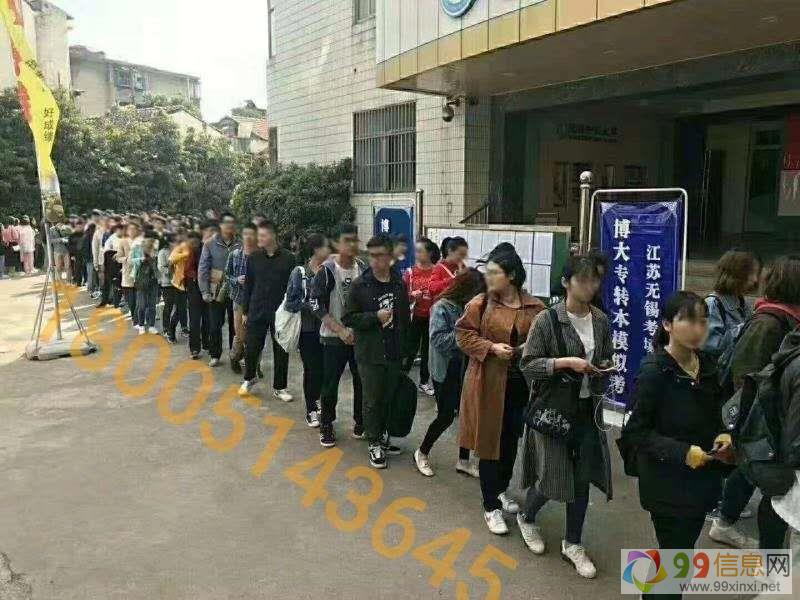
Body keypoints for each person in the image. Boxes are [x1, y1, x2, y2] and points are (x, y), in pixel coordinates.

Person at [620, 292, 734, 599]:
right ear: (667, 324)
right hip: (666, 484)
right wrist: (682, 452)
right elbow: (635, 432)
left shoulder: (708, 365)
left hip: (702, 480)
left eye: (703, 321)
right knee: (676, 558)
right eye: (688, 320)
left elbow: (720, 412)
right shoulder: (654, 372)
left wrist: (725, 435)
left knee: (679, 555)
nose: (698, 329)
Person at [518, 255, 613, 579]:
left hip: (587, 410)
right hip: (555, 410)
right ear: (565, 282)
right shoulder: (547, 320)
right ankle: (527, 516)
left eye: (595, 280)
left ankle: (573, 543)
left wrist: (604, 368)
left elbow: (605, 356)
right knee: (552, 476)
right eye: (583, 279)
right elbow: (528, 364)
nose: (590, 286)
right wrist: (564, 363)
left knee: (583, 476)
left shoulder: (601, 320)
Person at [711, 255, 800, 548]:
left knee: (751, 471)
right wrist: (746, 424)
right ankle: (768, 561)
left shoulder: (784, 318)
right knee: (776, 491)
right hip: (764, 417)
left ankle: (724, 522)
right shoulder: (769, 322)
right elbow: (745, 375)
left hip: (773, 416)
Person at [456, 248, 545, 536]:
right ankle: (490, 506)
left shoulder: (535, 308)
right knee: (488, 444)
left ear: (512, 276)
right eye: (488, 272)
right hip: (487, 383)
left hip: (520, 386)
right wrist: (491, 347)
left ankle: (501, 489)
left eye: (495, 272)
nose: (488, 277)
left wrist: (526, 350)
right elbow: (463, 335)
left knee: (509, 443)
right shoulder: (480, 303)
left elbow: (544, 341)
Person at [342, 234, 411, 469]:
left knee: (388, 397)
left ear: (390, 256)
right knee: (372, 399)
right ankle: (373, 442)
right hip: (370, 353)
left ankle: (381, 436)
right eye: (371, 255)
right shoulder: (360, 285)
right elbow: (348, 317)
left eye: (380, 255)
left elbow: (404, 318)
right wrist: (375, 317)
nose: (374, 260)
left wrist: (405, 350)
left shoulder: (398, 283)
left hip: (393, 351)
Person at [414, 268, 485, 478]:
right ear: (466, 289)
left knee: (466, 415)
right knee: (445, 416)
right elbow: (437, 340)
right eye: (476, 292)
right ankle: (422, 452)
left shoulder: (469, 306)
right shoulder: (441, 307)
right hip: (445, 369)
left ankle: (463, 460)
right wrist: (465, 336)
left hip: (465, 367)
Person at [310, 223, 365, 447]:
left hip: (359, 338)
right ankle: (326, 424)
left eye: (355, 240)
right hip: (333, 338)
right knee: (330, 383)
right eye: (347, 240)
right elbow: (315, 303)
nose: (352, 244)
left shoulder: (362, 268)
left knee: (362, 381)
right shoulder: (327, 271)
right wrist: (339, 329)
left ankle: (361, 422)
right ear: (337, 244)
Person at [238, 221, 295, 400]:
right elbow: (248, 285)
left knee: (281, 350)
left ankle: (280, 387)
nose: (259, 239)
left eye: (262, 235)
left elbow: (293, 286)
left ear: (273, 235)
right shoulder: (254, 258)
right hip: (257, 309)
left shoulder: (289, 258)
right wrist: (245, 311)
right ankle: (249, 378)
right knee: (251, 348)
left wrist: (292, 311)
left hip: (280, 312)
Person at [285, 233, 331, 427]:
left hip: (328, 329)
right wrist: (312, 306)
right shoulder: (300, 273)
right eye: (326, 246)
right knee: (312, 370)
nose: (329, 250)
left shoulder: (330, 271)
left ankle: (319, 402)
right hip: (308, 330)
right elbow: (290, 303)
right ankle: (311, 408)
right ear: (316, 250)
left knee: (325, 370)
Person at [199, 212, 241, 368]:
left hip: (236, 289)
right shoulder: (210, 243)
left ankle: (235, 356)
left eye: (232, 223)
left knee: (235, 325)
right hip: (216, 289)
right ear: (221, 225)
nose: (230, 226)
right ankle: (215, 354)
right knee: (215, 324)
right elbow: (203, 268)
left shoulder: (240, 243)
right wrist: (204, 291)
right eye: (227, 223)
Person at [703, 250, 760, 360]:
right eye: (751, 273)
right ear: (736, 274)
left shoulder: (742, 303)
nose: (755, 279)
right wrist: (744, 328)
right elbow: (711, 345)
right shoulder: (713, 304)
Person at [402, 238, 440, 396]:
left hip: (432, 318)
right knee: (409, 349)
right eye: (415, 251)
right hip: (415, 317)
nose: (416, 254)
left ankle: (424, 382)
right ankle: (401, 379)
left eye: (420, 251)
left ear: (429, 253)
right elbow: (400, 299)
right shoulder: (410, 273)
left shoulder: (438, 271)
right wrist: (412, 296)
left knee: (427, 351)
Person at [225, 224, 257, 374]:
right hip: (239, 299)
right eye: (246, 234)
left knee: (255, 334)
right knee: (240, 334)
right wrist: (236, 279)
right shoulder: (234, 255)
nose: (249, 237)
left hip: (256, 300)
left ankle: (254, 364)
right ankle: (235, 357)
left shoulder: (260, 256)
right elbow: (226, 275)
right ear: (242, 237)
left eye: (252, 234)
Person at [117, 222, 143, 326]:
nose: (132, 231)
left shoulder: (141, 241)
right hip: (128, 273)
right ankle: (134, 317)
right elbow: (118, 257)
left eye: (134, 229)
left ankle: (138, 319)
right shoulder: (123, 241)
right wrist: (126, 259)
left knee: (140, 299)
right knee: (131, 300)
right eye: (130, 229)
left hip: (140, 273)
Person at [133, 238, 160, 335]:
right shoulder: (141, 257)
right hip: (142, 284)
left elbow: (157, 271)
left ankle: (152, 326)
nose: (154, 251)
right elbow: (133, 263)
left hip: (153, 284)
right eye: (153, 249)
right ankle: (141, 325)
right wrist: (141, 260)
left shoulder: (155, 258)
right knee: (142, 306)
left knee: (152, 306)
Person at [158, 234, 177, 341]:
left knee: (179, 308)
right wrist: (171, 268)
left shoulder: (178, 250)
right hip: (167, 284)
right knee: (168, 306)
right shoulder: (163, 252)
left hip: (178, 283)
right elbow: (161, 268)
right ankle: (166, 328)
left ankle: (172, 328)